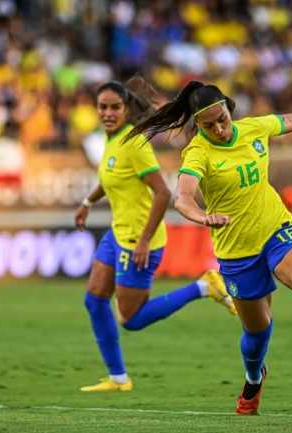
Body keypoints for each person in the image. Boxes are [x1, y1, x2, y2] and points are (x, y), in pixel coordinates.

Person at [125, 81, 292, 416]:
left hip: (278, 229)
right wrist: (203, 217)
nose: (219, 129)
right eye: (208, 125)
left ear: (229, 109)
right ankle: (254, 377)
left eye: (222, 119)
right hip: (237, 253)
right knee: (258, 333)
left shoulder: (254, 128)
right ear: (197, 125)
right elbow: (182, 198)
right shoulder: (198, 153)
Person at [75, 80, 236, 392]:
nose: (108, 113)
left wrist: (145, 240)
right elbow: (110, 177)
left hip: (138, 239)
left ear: (126, 109)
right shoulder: (111, 141)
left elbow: (162, 193)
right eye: (102, 107)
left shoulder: (134, 145)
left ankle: (205, 286)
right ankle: (118, 378)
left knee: (130, 318)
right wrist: (87, 202)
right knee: (94, 300)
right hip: (117, 233)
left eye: (114, 108)